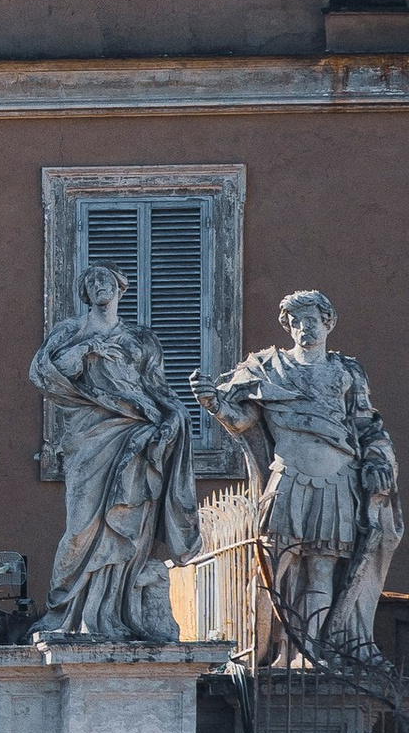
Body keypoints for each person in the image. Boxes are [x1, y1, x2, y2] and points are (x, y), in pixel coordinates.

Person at [201, 292, 402, 667]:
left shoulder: (347, 372)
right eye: (295, 322)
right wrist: (215, 404)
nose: (304, 328)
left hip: (337, 479)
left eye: (311, 320)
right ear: (287, 327)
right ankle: (268, 648)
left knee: (322, 569)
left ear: (328, 323)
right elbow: (244, 422)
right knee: (272, 564)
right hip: (288, 476)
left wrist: (378, 461)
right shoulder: (268, 368)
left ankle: (307, 652)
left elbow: (365, 424)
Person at [28, 266, 208, 644]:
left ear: (120, 288)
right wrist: (86, 348)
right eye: (92, 282)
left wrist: (174, 419)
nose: (100, 286)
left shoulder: (140, 338)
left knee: (129, 524)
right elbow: (45, 373)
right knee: (81, 527)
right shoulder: (70, 331)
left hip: (137, 435)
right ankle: (65, 610)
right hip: (89, 436)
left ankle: (114, 612)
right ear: (84, 292)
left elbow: (158, 389)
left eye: (106, 280)